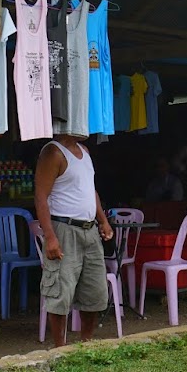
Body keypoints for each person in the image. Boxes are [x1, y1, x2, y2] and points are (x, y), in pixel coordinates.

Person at [34, 133, 115, 347]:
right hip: (64, 228)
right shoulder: (53, 152)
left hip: (89, 229)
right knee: (60, 291)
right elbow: (40, 196)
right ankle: (60, 348)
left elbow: (90, 191)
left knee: (95, 291)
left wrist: (103, 220)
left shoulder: (85, 152)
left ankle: (85, 345)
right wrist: (50, 237)